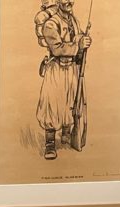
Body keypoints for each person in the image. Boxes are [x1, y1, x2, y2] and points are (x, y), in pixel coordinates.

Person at [36, 0, 91, 160]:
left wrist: (84, 42)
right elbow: (57, 48)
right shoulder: (51, 24)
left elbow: (78, 39)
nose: (68, 1)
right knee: (52, 105)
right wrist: (78, 45)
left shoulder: (74, 20)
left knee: (70, 101)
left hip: (72, 68)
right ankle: (50, 144)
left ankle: (66, 134)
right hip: (56, 69)